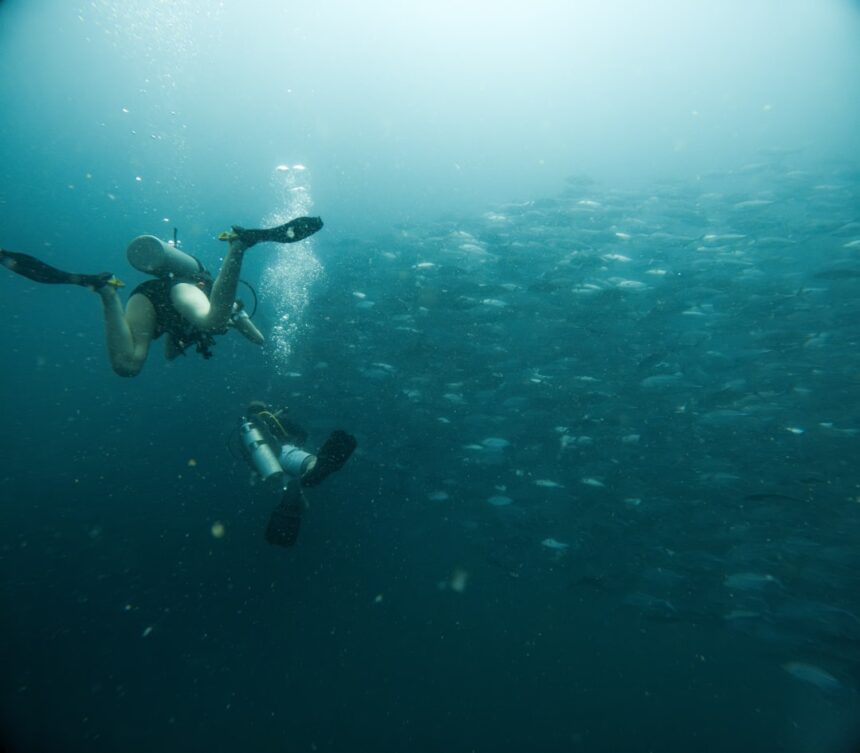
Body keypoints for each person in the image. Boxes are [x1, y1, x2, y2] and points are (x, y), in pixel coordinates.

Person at [0, 217, 323, 375]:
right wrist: (236, 317)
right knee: (213, 321)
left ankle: (104, 290)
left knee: (128, 366)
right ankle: (238, 246)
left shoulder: (182, 326)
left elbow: (169, 352)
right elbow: (260, 340)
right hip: (184, 286)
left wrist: (185, 338)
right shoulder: (222, 308)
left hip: (150, 297)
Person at [237, 401, 357, 547]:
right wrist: (297, 445)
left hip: (267, 469)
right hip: (284, 452)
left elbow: (246, 458)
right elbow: (302, 433)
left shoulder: (245, 434)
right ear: (265, 409)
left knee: (294, 495)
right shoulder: (272, 418)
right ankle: (314, 472)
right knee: (311, 463)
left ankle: (294, 496)